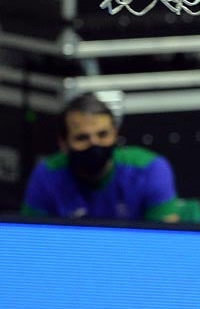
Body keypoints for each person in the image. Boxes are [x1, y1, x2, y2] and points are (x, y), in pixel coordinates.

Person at [21, 92, 181, 222]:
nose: (94, 144)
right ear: (63, 143)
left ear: (115, 134)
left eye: (103, 134)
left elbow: (165, 243)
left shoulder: (149, 169)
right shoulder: (47, 174)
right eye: (82, 138)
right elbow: (31, 240)